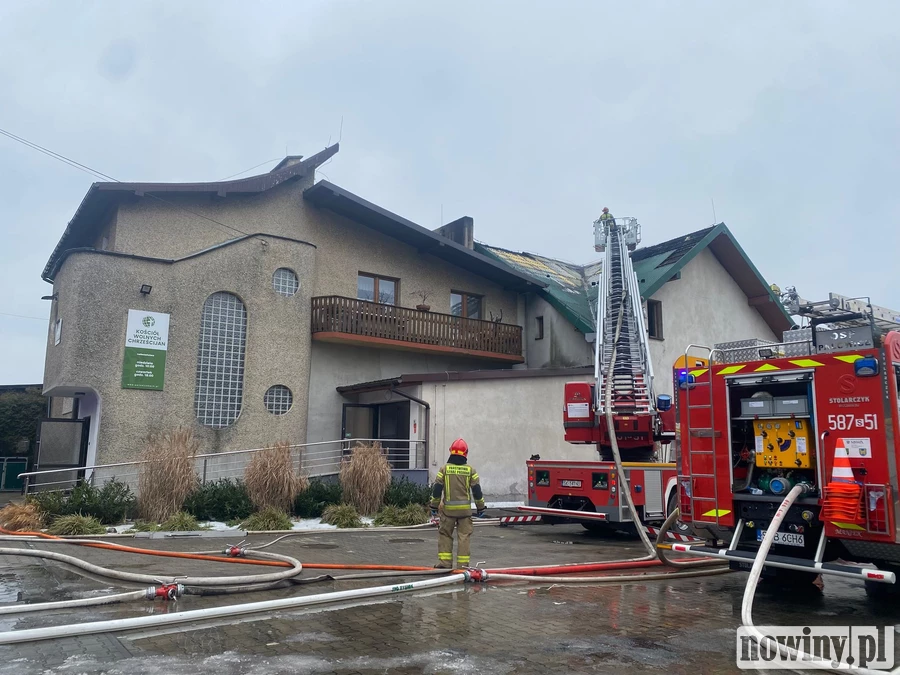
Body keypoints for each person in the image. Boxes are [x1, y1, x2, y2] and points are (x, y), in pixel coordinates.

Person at [429, 438, 486, 569]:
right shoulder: (471, 470)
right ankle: (463, 566)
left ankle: (445, 563)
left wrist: (434, 506)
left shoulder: (444, 469)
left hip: (448, 512)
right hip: (465, 513)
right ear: (465, 453)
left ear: (451, 452)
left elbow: (437, 489)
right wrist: (481, 508)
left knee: (445, 535)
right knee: (464, 537)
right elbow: (477, 491)